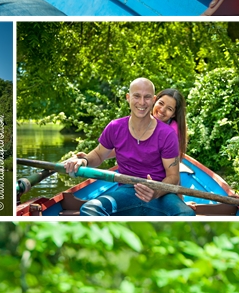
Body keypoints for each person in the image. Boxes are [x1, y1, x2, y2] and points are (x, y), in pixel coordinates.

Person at [62, 78, 196, 217]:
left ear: (152, 99)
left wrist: (155, 190)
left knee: (186, 214)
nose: (142, 102)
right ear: (128, 97)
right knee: (89, 209)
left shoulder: (168, 134)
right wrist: (84, 161)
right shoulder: (115, 127)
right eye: (137, 96)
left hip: (161, 192)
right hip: (127, 190)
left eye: (147, 97)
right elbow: (99, 154)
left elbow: (173, 176)